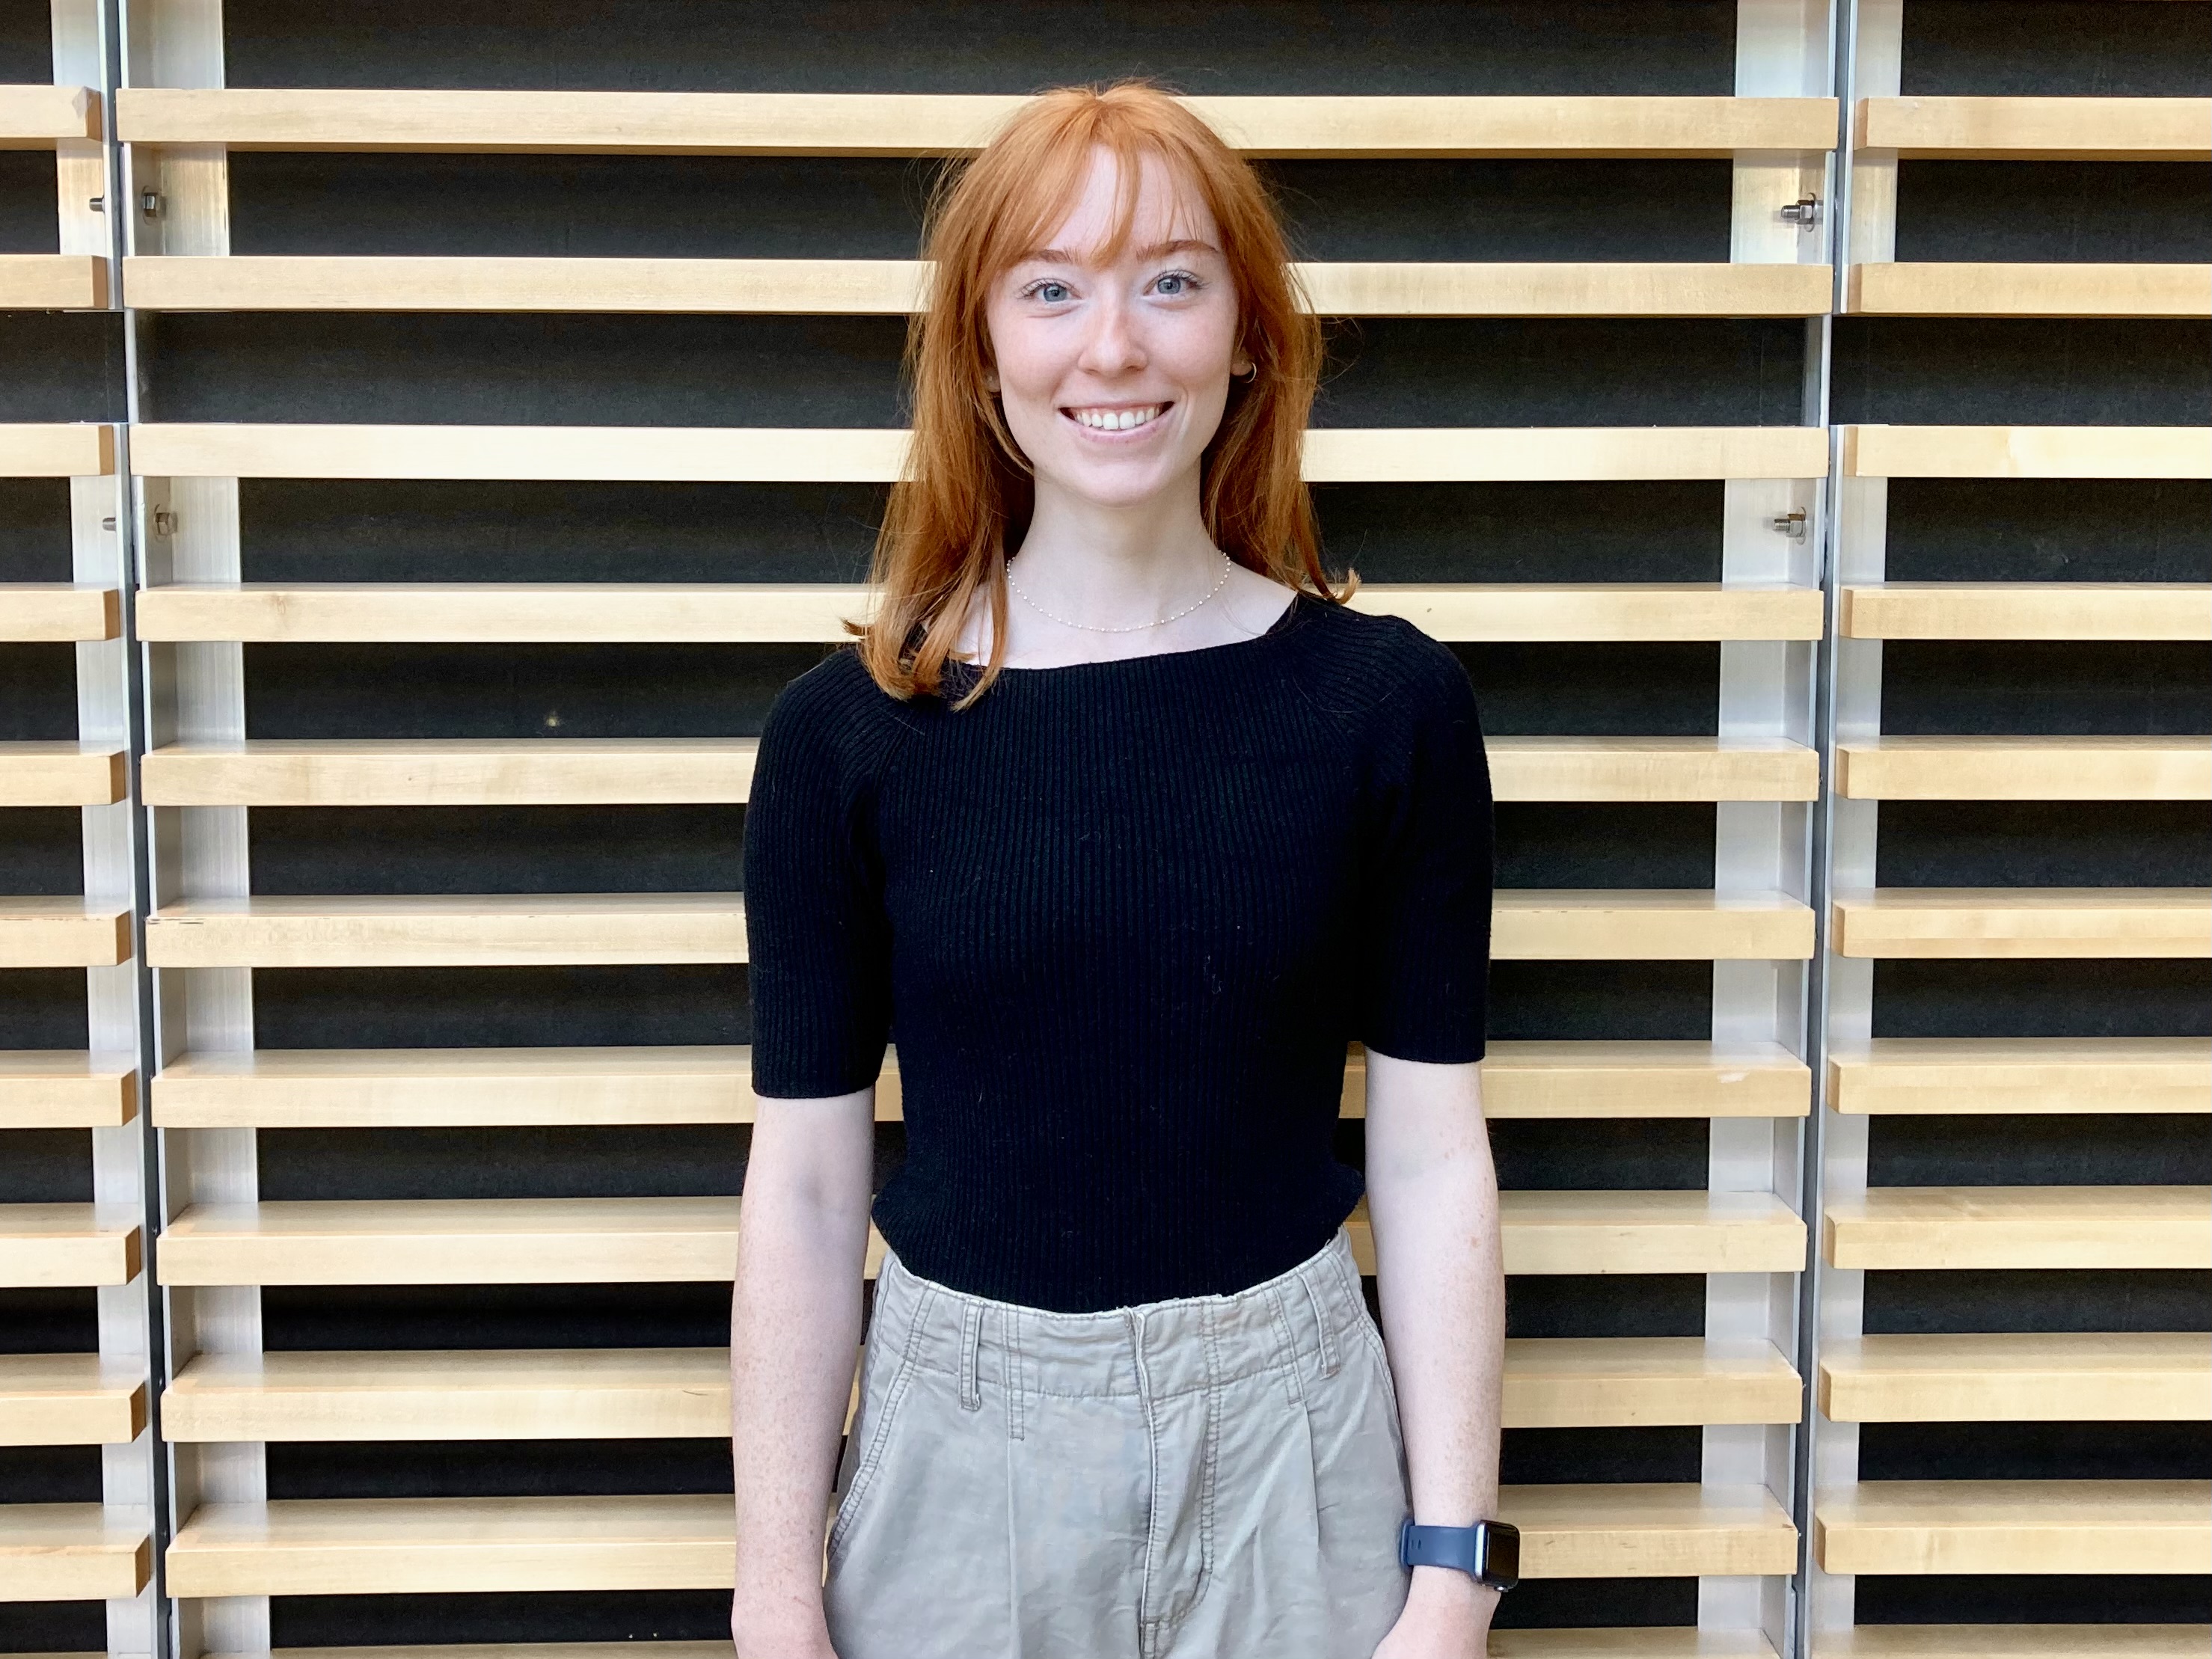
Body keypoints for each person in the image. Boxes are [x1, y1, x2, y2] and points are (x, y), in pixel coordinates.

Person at [729, 81, 1506, 1659]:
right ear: (979, 349)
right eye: (1051, 289)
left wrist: (1452, 1575)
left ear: (1247, 333)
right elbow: (805, 1185)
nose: (1114, 346)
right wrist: (774, 1585)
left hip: (1299, 1453)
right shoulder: (845, 736)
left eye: (1170, 280)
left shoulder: (1388, 705)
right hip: (955, 1457)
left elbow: (1431, 1157)